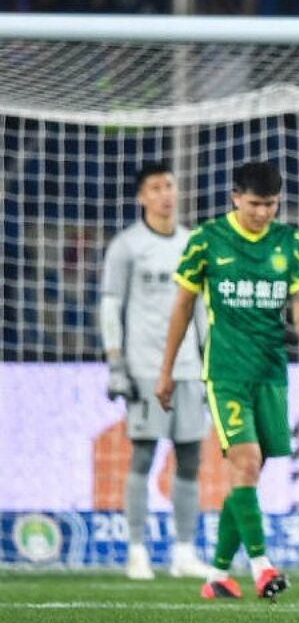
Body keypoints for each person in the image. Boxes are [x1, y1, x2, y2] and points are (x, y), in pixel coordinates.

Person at [156, 160, 299, 600]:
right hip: (226, 372)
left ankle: (216, 575)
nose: (263, 213)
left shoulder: (289, 242)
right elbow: (181, 309)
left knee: (246, 475)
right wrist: (167, 369)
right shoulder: (207, 241)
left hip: (271, 372)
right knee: (245, 464)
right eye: (255, 204)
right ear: (236, 197)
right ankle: (263, 567)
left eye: (270, 204)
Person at [100, 162, 211, 581]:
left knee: (189, 458)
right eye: (156, 187)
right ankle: (136, 551)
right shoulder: (127, 246)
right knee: (143, 455)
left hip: (187, 368)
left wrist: (206, 361)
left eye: (169, 186)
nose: (165, 194)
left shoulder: (192, 243)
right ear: (141, 196)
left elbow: (200, 308)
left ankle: (183, 551)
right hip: (145, 366)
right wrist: (116, 364)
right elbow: (112, 306)